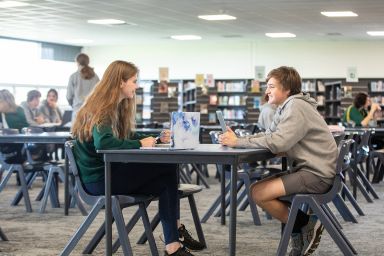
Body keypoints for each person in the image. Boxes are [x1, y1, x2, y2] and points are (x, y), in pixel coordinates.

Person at [71, 60, 204, 256]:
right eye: (134, 81)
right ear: (120, 83)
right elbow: (104, 143)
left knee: (165, 182)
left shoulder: (110, 107)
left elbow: (124, 136)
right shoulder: (103, 110)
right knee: (167, 169)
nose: (137, 85)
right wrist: (140, 144)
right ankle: (175, 237)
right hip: (99, 182)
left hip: (108, 175)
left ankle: (173, 243)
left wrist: (155, 139)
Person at [219, 66, 338, 256]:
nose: (267, 91)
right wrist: (239, 141)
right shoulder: (287, 106)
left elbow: (278, 142)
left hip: (317, 174)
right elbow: (270, 135)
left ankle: (304, 225)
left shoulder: (296, 106)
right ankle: (302, 227)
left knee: (259, 193)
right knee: (256, 190)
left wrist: (239, 142)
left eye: (271, 86)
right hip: (311, 169)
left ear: (287, 88)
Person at [67, 53, 100, 122]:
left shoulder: (74, 76)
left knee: (76, 132)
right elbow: (99, 93)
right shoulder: (96, 77)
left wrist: (73, 104)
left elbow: (69, 96)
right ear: (88, 62)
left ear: (77, 62)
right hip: (92, 111)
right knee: (89, 132)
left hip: (78, 110)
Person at [0, 89, 29, 164]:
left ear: (6, 102)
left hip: (17, 145)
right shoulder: (19, 109)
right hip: (19, 145)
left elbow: (22, 128)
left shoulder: (18, 111)